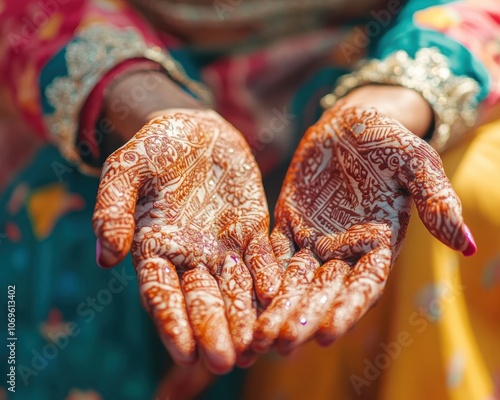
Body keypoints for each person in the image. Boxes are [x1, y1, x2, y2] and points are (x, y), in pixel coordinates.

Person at [0, 0, 499, 399]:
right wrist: (143, 103)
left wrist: (396, 101)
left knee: (475, 188)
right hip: (124, 94)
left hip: (374, 75)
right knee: (61, 223)